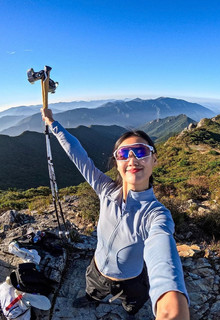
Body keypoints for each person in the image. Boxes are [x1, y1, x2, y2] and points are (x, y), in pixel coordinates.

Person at [41, 109, 190, 320]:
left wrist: (170, 301)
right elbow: (78, 155)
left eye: (140, 151)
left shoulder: (155, 214)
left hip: (132, 279)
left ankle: (131, 312)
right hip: (98, 268)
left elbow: (162, 250)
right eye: (123, 154)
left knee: (132, 305)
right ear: (117, 163)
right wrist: (53, 123)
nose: (131, 158)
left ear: (154, 159)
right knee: (92, 292)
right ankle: (92, 299)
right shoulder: (105, 190)